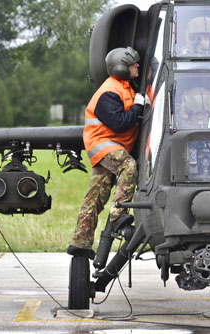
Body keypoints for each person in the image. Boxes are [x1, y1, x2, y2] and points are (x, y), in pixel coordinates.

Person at [67, 46, 148, 258]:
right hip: (104, 144)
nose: (137, 65)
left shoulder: (124, 87)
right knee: (129, 167)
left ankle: (80, 244)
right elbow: (121, 123)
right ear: (122, 68)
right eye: (133, 64)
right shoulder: (109, 92)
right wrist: (139, 106)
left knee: (95, 198)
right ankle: (118, 215)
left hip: (112, 145)